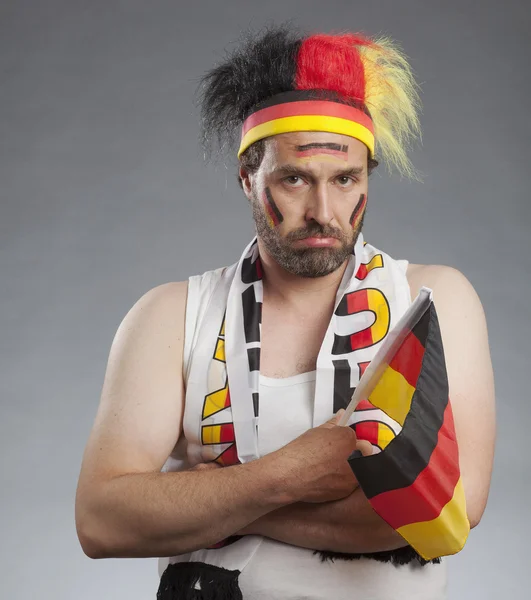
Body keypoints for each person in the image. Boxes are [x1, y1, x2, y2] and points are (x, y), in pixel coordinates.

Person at [75, 25, 496, 600]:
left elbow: (450, 511)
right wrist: (290, 473)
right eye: (295, 179)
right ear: (249, 179)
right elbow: (101, 521)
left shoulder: (432, 302)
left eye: (346, 179)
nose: (325, 211)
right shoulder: (172, 316)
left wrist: (226, 503)